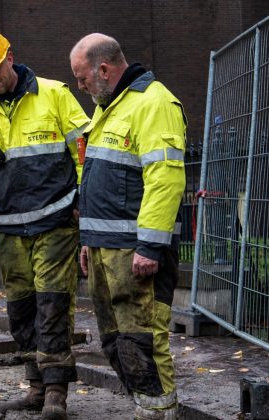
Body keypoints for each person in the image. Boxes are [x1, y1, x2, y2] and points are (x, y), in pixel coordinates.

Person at [0, 28, 89, 420]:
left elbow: (83, 148)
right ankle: (36, 384)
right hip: (10, 227)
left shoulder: (53, 94)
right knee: (21, 308)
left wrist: (83, 196)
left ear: (10, 57)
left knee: (52, 303)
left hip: (55, 219)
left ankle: (56, 392)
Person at [69, 33, 186, 420]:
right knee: (116, 342)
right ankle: (147, 409)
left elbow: (165, 179)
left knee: (142, 341)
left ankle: (158, 413)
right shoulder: (109, 107)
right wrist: (88, 240)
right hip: (107, 248)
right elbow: (95, 179)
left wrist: (150, 246)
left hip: (134, 250)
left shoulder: (154, 103)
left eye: (83, 78)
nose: (80, 87)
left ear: (103, 69)